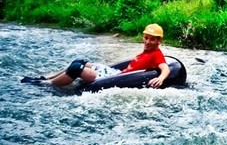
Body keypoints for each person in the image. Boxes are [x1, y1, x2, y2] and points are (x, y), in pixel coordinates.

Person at [35, 24, 170, 88]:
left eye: (152, 39)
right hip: (116, 72)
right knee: (79, 61)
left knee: (77, 68)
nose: (148, 42)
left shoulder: (156, 54)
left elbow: (165, 68)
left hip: (114, 78)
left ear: (159, 41)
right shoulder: (146, 52)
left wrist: (161, 78)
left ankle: (48, 84)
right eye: (146, 38)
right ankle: (47, 77)